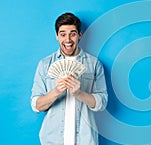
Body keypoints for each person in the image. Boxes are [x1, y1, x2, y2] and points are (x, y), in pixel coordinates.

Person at [30, 12, 108, 145]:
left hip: (85, 140)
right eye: (63, 34)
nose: (68, 40)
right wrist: (56, 92)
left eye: (72, 33)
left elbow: (102, 102)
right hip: (52, 140)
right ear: (57, 36)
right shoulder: (44, 64)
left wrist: (79, 93)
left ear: (80, 35)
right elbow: (36, 105)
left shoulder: (94, 64)